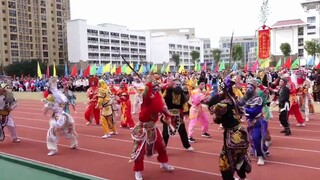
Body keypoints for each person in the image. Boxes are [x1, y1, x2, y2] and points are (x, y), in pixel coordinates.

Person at [130, 73, 174, 180]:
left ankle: (163, 163)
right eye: (153, 88)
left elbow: (162, 109)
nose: (155, 90)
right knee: (139, 151)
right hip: (142, 128)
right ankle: (138, 171)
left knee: (162, 146)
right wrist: (148, 81)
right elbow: (147, 91)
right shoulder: (146, 98)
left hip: (153, 127)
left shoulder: (159, 98)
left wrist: (169, 115)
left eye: (156, 88)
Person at [208, 76, 251, 180]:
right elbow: (240, 113)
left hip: (231, 134)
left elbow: (214, 112)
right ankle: (242, 177)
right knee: (240, 156)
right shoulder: (234, 101)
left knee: (225, 160)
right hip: (241, 132)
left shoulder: (223, 104)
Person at [42, 78, 78, 156]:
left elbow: (45, 110)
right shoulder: (60, 94)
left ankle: (53, 149)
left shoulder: (51, 97)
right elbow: (64, 103)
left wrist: (46, 109)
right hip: (64, 115)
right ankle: (74, 143)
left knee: (52, 131)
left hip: (57, 116)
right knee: (68, 129)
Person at [239, 78, 268, 166]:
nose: (248, 89)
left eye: (250, 88)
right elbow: (238, 104)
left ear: (254, 88)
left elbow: (255, 110)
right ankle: (265, 149)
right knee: (251, 139)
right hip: (250, 122)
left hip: (258, 121)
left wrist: (244, 109)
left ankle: (260, 156)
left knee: (256, 138)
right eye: (247, 87)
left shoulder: (258, 98)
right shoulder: (245, 97)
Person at [162, 78, 193, 151]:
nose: (177, 86)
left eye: (179, 84)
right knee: (166, 132)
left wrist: (186, 113)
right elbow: (161, 98)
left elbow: (185, 103)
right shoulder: (167, 91)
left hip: (178, 114)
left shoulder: (182, 93)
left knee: (182, 131)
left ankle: (187, 145)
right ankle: (163, 147)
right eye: (176, 84)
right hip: (168, 114)